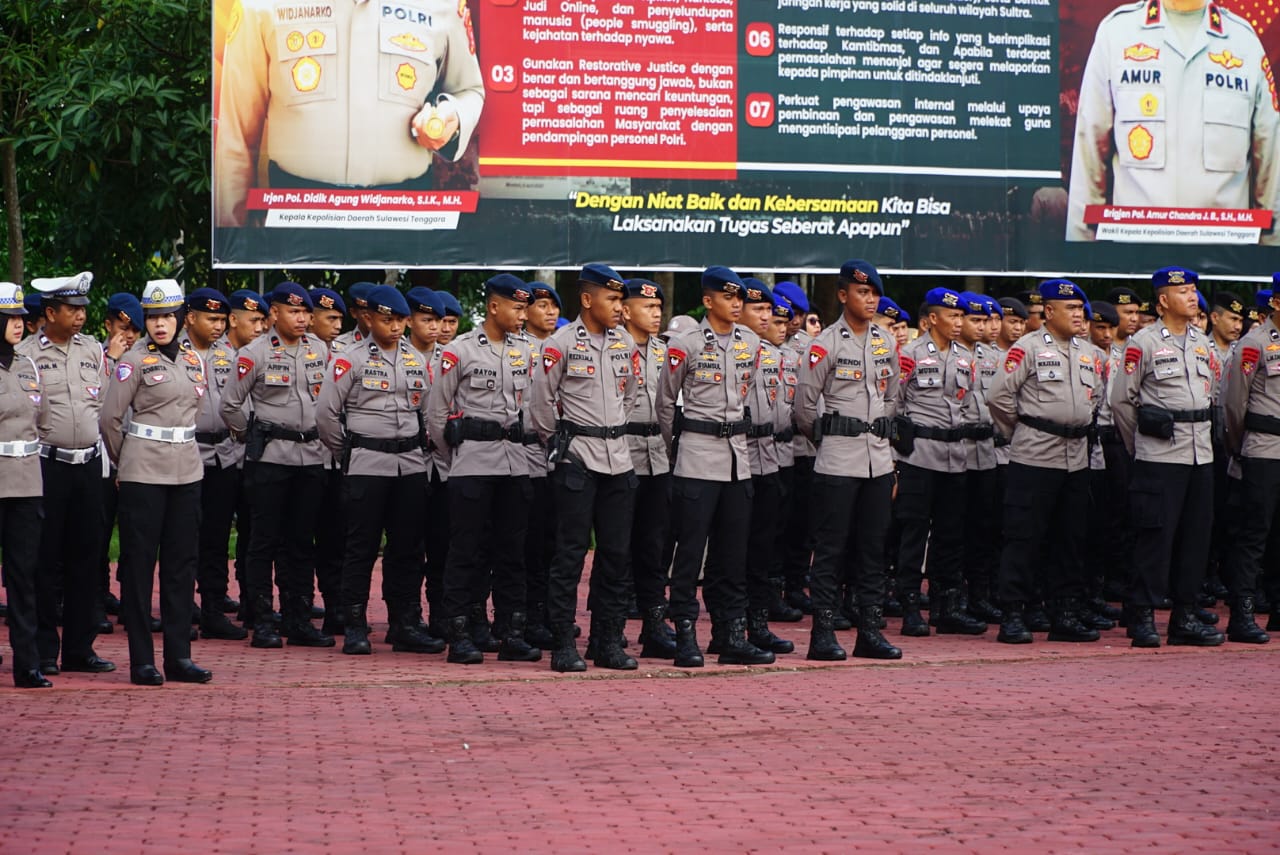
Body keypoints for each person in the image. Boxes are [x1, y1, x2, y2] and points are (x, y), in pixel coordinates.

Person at [215, 0, 485, 226]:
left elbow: (469, 89)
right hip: (295, 220)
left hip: (404, 218)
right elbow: (236, 138)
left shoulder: (442, 4)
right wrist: (233, 238)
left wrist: (453, 114)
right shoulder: (259, 5)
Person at [1066, 0, 1280, 244]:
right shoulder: (1116, 35)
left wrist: (1271, 259)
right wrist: (1081, 258)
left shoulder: (1245, 44)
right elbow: (1088, 162)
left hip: (1224, 259)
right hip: (1136, 258)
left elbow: (1271, 173)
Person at [656, 266, 775, 667]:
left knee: (732, 555)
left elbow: (745, 392)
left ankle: (730, 635)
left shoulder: (751, 342)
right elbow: (665, 404)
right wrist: (680, 447)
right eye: (728, 297)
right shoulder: (685, 344)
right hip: (697, 458)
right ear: (708, 301)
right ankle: (685, 633)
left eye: (740, 297)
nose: (736, 303)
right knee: (690, 554)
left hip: (738, 461)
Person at [316, 285, 443, 656]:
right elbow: (326, 415)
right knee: (361, 547)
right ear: (370, 318)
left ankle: (405, 623)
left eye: (401, 320)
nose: (396, 327)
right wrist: (348, 453)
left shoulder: (415, 359)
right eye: (388, 320)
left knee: (408, 549)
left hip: (410, 465)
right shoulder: (350, 359)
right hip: (367, 463)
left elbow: (427, 412)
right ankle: (355, 625)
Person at [101, 280, 212, 685]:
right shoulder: (133, 361)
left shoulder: (192, 359)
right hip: (143, 472)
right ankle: (142, 661)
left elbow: (192, 411)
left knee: (181, 566)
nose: (160, 324)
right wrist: (126, 460)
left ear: (180, 318)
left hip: (187, 471)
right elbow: (110, 419)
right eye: (152, 317)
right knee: (139, 567)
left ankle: (179, 657)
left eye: (167, 316)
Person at [530, 264, 638, 671]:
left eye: (621, 299)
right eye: (612, 299)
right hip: (577, 459)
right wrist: (562, 444)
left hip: (619, 458)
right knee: (570, 554)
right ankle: (563, 643)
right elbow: (541, 405)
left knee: (616, 555)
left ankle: (606, 641)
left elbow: (630, 394)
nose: (619, 307)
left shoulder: (625, 342)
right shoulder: (560, 344)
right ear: (588, 299)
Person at [1111, 266, 1225, 646]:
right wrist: (1141, 446)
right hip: (1160, 455)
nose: (1192, 297)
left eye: (1193, 290)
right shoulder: (1142, 343)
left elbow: (1213, 395)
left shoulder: (1202, 342)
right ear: (1163, 300)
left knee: (1196, 537)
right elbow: (1122, 401)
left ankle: (1185, 616)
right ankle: (1142, 614)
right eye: (1183, 291)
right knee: (1154, 537)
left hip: (1200, 454)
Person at [794, 260, 902, 660]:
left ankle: (869, 632)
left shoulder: (885, 341)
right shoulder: (825, 343)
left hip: (878, 459)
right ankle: (823, 634)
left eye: (874, 293)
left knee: (873, 550)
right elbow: (804, 407)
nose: (870, 300)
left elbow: (892, 397)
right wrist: (829, 439)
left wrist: (889, 458)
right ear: (843, 295)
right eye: (862, 292)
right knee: (831, 550)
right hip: (838, 460)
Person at [426, 274, 536, 664]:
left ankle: (511, 633)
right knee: (465, 551)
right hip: (472, 462)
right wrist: (454, 459)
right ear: (493, 307)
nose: (523, 316)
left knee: (512, 553)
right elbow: (436, 415)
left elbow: (533, 408)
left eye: (525, 309)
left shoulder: (526, 351)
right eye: (517, 308)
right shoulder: (460, 350)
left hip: (515, 462)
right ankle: (460, 633)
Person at [988, 279, 1103, 644]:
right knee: (1023, 537)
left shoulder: (1090, 353)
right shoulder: (1028, 347)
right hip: (1035, 455)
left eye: (1080, 309)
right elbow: (999, 398)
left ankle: (1064, 613)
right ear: (1049, 312)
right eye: (1070, 309)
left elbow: (1096, 399)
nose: (1078, 315)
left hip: (1076, 458)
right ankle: (1014, 613)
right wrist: (1023, 430)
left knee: (1071, 538)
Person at [219, 282, 332, 649]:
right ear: (275, 314)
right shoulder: (254, 353)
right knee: (263, 541)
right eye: (294, 312)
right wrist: (248, 435)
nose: (301, 319)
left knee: (301, 542)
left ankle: (299, 619)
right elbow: (230, 405)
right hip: (269, 459)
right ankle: (264, 620)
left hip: (310, 456)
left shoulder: (319, 349)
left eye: (305, 313)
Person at [16, 272, 116, 677]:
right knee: (44, 559)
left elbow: (104, 404)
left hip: (87, 465)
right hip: (47, 465)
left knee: (86, 557)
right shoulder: (26, 354)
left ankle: (79, 648)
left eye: (83, 310)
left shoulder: (92, 350)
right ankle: (44, 650)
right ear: (50, 312)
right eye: (72, 309)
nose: (80, 316)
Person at [893, 288, 988, 637]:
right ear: (932, 319)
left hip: (955, 457)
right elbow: (894, 404)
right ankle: (909, 607)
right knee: (914, 533)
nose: (959, 322)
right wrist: (894, 459)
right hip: (919, 455)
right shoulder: (910, 354)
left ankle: (946, 607)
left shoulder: (965, 357)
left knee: (950, 535)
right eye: (953, 316)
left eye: (962, 316)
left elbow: (970, 403)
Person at [180, 287, 249, 642]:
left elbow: (242, 401)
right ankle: (179, 610)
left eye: (222, 320)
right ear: (190, 318)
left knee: (217, 537)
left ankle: (213, 610)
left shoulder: (229, 354)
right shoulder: (172, 352)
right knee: (182, 538)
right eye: (211, 319)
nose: (219, 326)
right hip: (185, 454)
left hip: (224, 453)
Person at [619, 278, 677, 657]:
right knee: (616, 547)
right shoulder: (611, 348)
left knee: (654, 546)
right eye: (647, 307)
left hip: (658, 454)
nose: (656, 313)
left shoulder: (666, 352)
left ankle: (654, 625)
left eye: (658, 307)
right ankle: (609, 626)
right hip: (620, 453)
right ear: (625, 310)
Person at [1219, 286, 1279, 643]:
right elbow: (1233, 405)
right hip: (1263, 448)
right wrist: (1238, 447)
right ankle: (1242, 613)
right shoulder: (1254, 344)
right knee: (1254, 533)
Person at [0, 281, 50, 687]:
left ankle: (27, 663)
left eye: (20, 316)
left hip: (27, 481)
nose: (19, 323)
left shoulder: (28, 365)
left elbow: (43, 420)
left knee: (23, 575)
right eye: (9, 317)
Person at [97, 292, 144, 625]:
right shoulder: (94, 357)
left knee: (135, 537)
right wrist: (111, 361)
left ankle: (131, 603)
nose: (128, 336)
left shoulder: (146, 359)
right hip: (102, 458)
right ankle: (95, 599)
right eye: (122, 328)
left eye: (135, 331)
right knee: (96, 536)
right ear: (108, 325)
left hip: (135, 459)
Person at [957, 293, 1003, 625]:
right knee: (953, 529)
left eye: (985, 320)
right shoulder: (947, 355)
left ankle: (979, 595)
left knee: (984, 529)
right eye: (975, 320)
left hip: (987, 452)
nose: (982, 326)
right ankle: (952, 598)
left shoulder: (995, 358)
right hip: (954, 451)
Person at [772, 280, 817, 616]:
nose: (796, 320)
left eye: (801, 314)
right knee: (774, 525)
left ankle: (796, 584)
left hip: (804, 447)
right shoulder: (760, 344)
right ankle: (771, 588)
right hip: (770, 448)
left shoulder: (808, 347)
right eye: (791, 313)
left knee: (803, 522)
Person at [519, 281, 560, 650]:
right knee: (527, 542)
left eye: (554, 306)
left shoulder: (564, 346)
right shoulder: (518, 348)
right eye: (542, 306)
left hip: (560, 457)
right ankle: (527, 617)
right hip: (526, 453)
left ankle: (548, 614)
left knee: (553, 541)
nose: (550, 312)